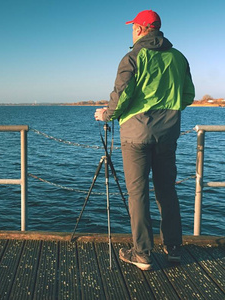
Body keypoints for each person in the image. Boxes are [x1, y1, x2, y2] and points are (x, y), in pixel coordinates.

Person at [94, 10, 195, 271]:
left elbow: (121, 95)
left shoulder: (133, 56)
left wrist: (107, 114)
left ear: (140, 29)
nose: (132, 31)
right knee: (167, 190)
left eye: (133, 27)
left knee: (137, 193)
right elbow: (187, 96)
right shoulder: (179, 57)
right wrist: (168, 113)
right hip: (168, 135)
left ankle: (142, 253)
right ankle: (173, 248)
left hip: (136, 136)